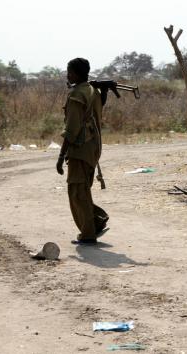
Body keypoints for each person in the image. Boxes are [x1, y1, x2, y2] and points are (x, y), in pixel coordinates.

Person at [56, 58, 108, 244]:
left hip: (80, 150)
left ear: (77, 73)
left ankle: (88, 233)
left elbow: (71, 130)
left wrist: (61, 156)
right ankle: (95, 223)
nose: (67, 75)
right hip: (93, 148)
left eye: (69, 72)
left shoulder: (77, 94)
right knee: (82, 190)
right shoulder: (92, 91)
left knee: (77, 191)